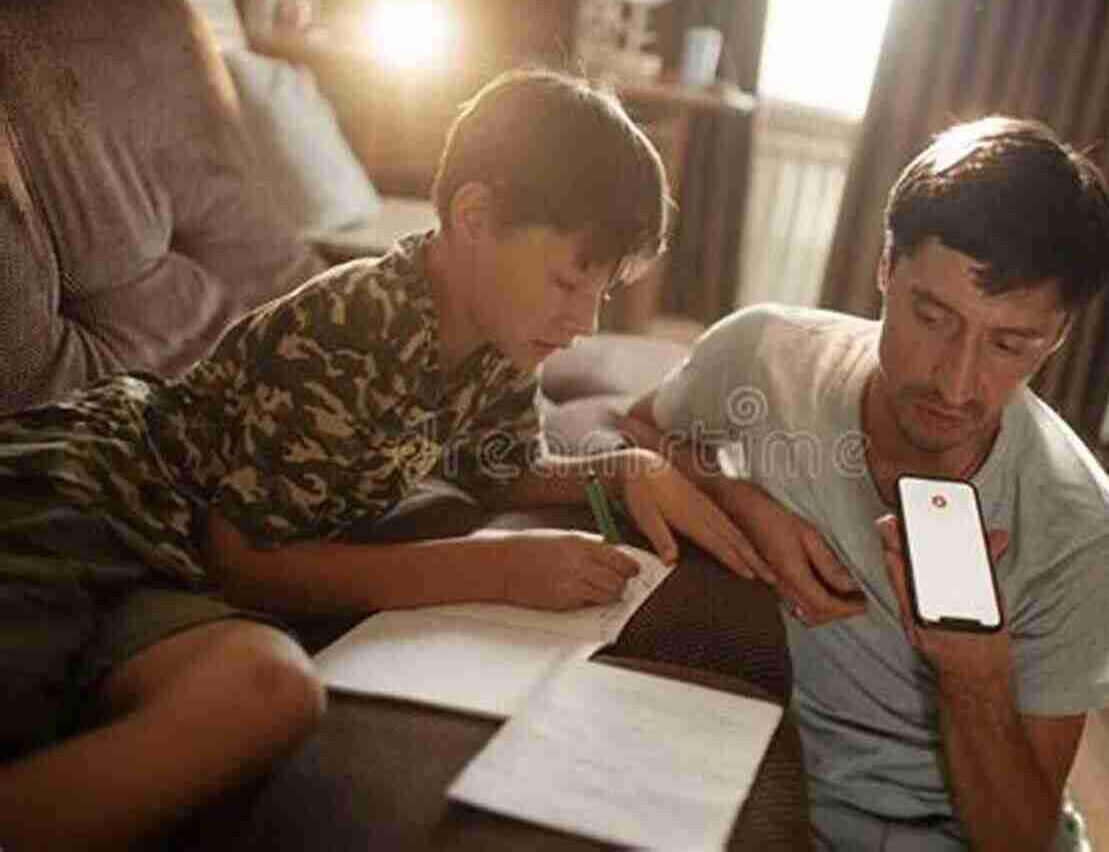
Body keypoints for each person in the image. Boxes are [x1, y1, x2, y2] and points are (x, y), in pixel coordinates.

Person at [0, 68, 764, 850]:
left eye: (601, 291)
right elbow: (245, 559)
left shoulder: (503, 340)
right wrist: (495, 570)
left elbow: (501, 467)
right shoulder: (356, 326)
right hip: (92, 493)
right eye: (570, 279)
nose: (582, 321)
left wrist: (619, 469)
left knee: (275, 692)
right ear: (475, 216)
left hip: (174, 565)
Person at [620, 117, 1109, 850]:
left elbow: (1021, 838)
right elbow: (636, 433)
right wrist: (741, 500)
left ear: (1056, 337)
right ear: (886, 266)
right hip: (765, 788)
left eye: (1009, 344)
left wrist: (977, 680)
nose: (956, 383)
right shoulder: (766, 351)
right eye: (933, 316)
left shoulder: (1088, 533)